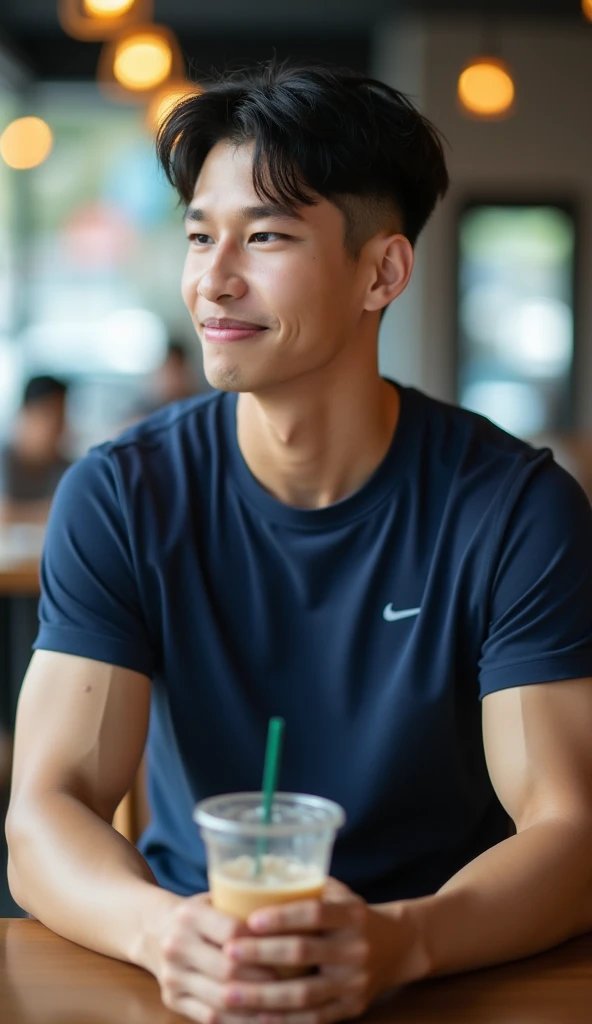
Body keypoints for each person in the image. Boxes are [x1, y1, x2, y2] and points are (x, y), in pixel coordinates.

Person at [6, 60, 592, 1024]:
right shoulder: (122, 495)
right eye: (201, 235)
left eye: (266, 236)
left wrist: (404, 940)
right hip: (196, 969)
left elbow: (570, 833)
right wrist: (161, 933)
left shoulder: (513, 508)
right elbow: (45, 814)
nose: (214, 279)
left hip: (451, 973)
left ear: (383, 271)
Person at [0, 375, 71, 525]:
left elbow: (70, 513)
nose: (57, 427)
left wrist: (17, 512)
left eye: (61, 416)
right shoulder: (4, 459)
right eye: (48, 415)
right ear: (25, 413)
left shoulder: (67, 467)